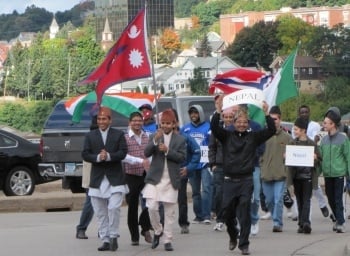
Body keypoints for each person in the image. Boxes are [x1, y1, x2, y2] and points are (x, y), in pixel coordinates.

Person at [210, 95, 276, 255]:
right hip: (229, 181)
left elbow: (271, 130)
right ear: (234, 123)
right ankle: (233, 235)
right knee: (226, 212)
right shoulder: (226, 136)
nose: (241, 124)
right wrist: (218, 110)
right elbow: (214, 128)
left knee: (245, 211)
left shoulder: (253, 137)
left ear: (248, 124)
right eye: (238, 121)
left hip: (246, 180)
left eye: (244, 122)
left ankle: (244, 244)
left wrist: (267, 114)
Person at [82, 107, 128, 252]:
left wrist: (108, 156)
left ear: (110, 120)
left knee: (113, 208)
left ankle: (114, 235)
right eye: (99, 119)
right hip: (97, 179)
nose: (101, 121)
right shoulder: (90, 136)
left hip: (115, 177)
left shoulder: (119, 134)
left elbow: (123, 152)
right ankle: (105, 239)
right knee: (101, 212)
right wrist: (98, 157)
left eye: (104, 119)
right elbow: (85, 154)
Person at [142, 109, 186, 251]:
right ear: (160, 124)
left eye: (168, 123)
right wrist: (155, 140)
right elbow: (146, 152)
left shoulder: (180, 139)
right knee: (152, 207)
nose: (166, 126)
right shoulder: (155, 136)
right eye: (163, 123)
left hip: (171, 179)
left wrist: (167, 150)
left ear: (173, 124)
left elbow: (182, 157)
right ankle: (157, 230)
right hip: (155, 178)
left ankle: (167, 240)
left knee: (169, 212)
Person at [169, 108, 201, 235]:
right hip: (165, 173)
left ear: (176, 122)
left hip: (181, 172)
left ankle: (183, 223)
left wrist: (189, 167)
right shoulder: (160, 137)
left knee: (181, 199)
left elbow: (197, 152)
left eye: (171, 121)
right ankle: (163, 224)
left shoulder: (185, 137)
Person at [260, 106, 292, 233]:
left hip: (280, 174)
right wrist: (261, 165)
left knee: (278, 199)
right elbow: (258, 152)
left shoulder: (287, 137)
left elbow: (294, 154)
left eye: (276, 119)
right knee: (269, 201)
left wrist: (287, 160)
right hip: (266, 173)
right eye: (271, 119)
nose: (274, 121)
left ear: (280, 119)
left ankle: (277, 223)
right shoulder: (263, 135)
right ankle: (275, 217)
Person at [123, 112, 152, 246]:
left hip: (146, 175)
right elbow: (124, 156)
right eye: (134, 121)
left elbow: (151, 155)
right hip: (131, 175)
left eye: (139, 121)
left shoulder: (147, 137)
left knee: (152, 203)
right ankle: (134, 236)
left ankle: (145, 226)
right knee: (132, 207)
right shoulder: (125, 138)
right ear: (130, 122)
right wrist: (140, 161)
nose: (137, 123)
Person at [318, 107, 350, 233]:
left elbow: (348, 156)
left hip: (339, 174)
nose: (323, 124)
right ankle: (337, 218)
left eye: (326, 123)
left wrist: (348, 173)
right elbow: (321, 158)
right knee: (330, 199)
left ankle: (341, 222)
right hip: (327, 174)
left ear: (333, 124)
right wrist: (317, 171)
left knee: (338, 199)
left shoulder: (343, 139)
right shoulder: (324, 140)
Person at [286, 117, 320, 234]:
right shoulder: (292, 143)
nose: (294, 131)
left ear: (303, 130)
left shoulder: (311, 143)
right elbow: (288, 162)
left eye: (296, 129)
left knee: (307, 200)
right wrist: (286, 156)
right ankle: (301, 223)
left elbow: (319, 159)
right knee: (299, 200)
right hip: (296, 176)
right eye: (294, 129)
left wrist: (315, 158)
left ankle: (306, 222)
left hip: (308, 177)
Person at [181, 104, 212, 224]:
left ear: (200, 113)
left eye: (196, 112)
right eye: (191, 113)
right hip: (192, 163)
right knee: (195, 191)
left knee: (206, 189)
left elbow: (212, 143)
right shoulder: (185, 128)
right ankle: (198, 215)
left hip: (205, 162)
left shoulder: (208, 127)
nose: (193, 115)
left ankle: (206, 215)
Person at [297, 105, 330, 218]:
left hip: (312, 158)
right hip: (300, 159)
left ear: (309, 113)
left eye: (306, 112)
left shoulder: (315, 125)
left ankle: (322, 204)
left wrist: (312, 141)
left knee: (315, 185)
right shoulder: (296, 127)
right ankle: (304, 216)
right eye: (302, 112)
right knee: (304, 188)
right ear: (299, 114)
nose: (304, 114)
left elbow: (316, 139)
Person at [209, 106, 234, 232]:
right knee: (219, 194)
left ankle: (231, 219)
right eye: (226, 117)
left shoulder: (237, 130)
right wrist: (212, 164)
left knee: (231, 194)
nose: (228, 119)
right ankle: (220, 220)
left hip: (233, 167)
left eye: (230, 117)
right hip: (219, 166)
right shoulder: (217, 130)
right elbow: (212, 147)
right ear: (222, 117)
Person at [75, 115, 98, 239]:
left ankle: (103, 230)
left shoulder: (108, 135)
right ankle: (81, 228)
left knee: (106, 204)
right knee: (90, 202)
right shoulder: (90, 137)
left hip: (105, 174)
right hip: (92, 175)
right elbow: (87, 154)